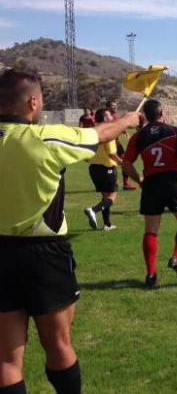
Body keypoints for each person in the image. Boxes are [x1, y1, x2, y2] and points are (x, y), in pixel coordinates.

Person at [0, 69, 139, 394]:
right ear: (33, 101)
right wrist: (129, 119)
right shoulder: (45, 138)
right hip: (43, 254)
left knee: (6, 359)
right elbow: (100, 134)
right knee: (59, 346)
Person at [121, 99, 177, 289]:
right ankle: (176, 257)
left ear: (145, 116)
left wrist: (139, 180)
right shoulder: (174, 131)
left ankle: (150, 274)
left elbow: (125, 163)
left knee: (151, 231)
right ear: (162, 113)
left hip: (151, 185)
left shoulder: (138, 137)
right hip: (173, 182)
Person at [83, 109, 123, 232]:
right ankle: (93, 210)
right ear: (104, 118)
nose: (112, 116)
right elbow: (111, 153)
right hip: (106, 168)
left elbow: (84, 153)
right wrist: (122, 162)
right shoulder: (108, 132)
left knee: (105, 197)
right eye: (109, 115)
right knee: (112, 196)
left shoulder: (91, 132)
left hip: (93, 168)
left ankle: (107, 224)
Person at [106, 100, 138, 191]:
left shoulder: (116, 117)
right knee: (110, 163)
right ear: (107, 107)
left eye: (116, 105)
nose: (115, 107)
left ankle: (126, 183)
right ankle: (112, 183)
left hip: (116, 143)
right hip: (108, 143)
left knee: (125, 161)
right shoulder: (105, 118)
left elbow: (121, 126)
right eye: (113, 105)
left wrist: (125, 132)